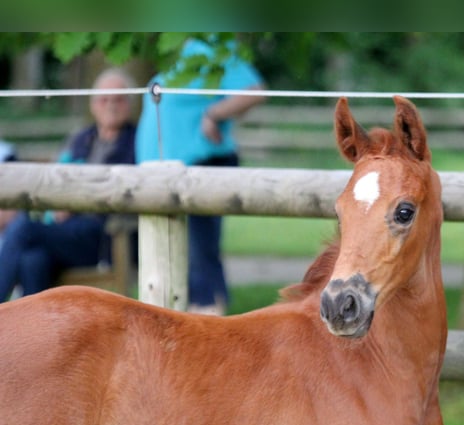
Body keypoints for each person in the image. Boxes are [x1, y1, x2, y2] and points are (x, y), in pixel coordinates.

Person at [136, 36, 266, 315]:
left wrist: (213, 114)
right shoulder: (175, 53)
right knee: (180, 247)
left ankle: (208, 311)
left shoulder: (214, 48)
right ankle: (203, 307)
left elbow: (254, 90)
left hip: (202, 164)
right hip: (166, 173)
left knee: (200, 247)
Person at [0, 68, 137, 302]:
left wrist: (73, 201)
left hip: (104, 236)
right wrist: (56, 204)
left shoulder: (136, 141)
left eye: (119, 99)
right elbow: (54, 178)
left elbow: (128, 191)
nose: (111, 105)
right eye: (104, 99)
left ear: (130, 103)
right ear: (93, 104)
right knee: (33, 259)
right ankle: (35, 336)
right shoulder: (80, 139)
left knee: (24, 228)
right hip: (66, 232)